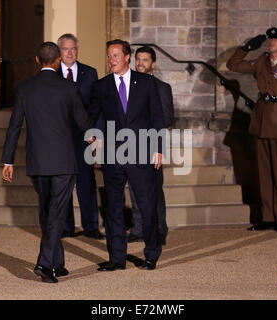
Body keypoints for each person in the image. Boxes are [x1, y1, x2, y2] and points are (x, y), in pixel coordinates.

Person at [1, 42, 93, 283]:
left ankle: (57, 262)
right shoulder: (69, 88)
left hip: (37, 161)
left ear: (37, 60)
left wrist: (8, 160)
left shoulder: (25, 88)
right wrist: (93, 136)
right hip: (63, 161)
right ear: (57, 61)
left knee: (48, 212)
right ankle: (44, 263)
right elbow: (83, 122)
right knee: (55, 213)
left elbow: (14, 126)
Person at [88, 39, 166, 271]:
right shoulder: (101, 86)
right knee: (113, 208)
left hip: (142, 152)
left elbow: (157, 117)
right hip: (112, 155)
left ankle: (151, 254)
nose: (111, 60)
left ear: (127, 57)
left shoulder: (146, 83)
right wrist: (93, 134)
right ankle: (117, 258)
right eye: (109, 56)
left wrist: (158, 148)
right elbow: (95, 116)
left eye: (115, 56)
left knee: (146, 205)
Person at [226, 27, 277, 233]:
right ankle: (267, 217)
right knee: (263, 174)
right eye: (271, 39)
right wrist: (245, 48)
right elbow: (233, 64)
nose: (272, 42)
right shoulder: (261, 62)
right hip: (261, 123)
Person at [56, 33, 104, 240]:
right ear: (59, 52)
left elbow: (97, 105)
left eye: (73, 48)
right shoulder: (51, 74)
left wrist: (95, 132)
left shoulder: (90, 73)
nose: (70, 53)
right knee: (63, 182)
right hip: (59, 139)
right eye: (66, 49)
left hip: (84, 137)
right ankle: (66, 226)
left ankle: (91, 225)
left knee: (86, 182)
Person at [128, 46, 174, 245]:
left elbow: (167, 118)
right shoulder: (126, 85)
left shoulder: (162, 88)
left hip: (152, 145)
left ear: (153, 64)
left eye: (145, 60)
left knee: (155, 189)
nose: (140, 63)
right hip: (129, 144)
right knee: (134, 189)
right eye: (138, 59)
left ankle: (159, 229)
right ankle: (138, 229)